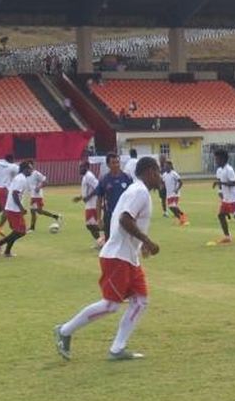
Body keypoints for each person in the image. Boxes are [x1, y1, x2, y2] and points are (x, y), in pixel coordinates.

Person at [54, 157, 162, 361]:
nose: (160, 177)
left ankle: (117, 349)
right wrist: (147, 241)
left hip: (128, 257)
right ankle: (65, 331)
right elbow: (124, 219)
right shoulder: (138, 191)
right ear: (149, 172)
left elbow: (125, 219)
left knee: (140, 301)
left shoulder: (138, 191)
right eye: (157, 172)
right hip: (117, 256)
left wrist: (141, 246)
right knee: (111, 305)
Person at [0, 161, 33, 258]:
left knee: (17, 231)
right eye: (30, 169)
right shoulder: (21, 179)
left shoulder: (20, 178)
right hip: (14, 209)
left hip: (12, 208)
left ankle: (7, 252)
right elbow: (15, 194)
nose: (32, 171)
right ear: (25, 169)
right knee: (21, 231)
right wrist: (21, 208)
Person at [96, 153, 133, 241]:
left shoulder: (127, 178)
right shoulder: (104, 179)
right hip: (110, 215)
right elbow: (99, 199)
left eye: (117, 162)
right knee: (110, 241)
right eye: (113, 163)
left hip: (125, 215)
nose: (116, 165)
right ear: (108, 165)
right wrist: (99, 218)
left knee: (126, 240)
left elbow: (133, 197)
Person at [72, 160, 102, 247]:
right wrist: (80, 197)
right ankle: (100, 242)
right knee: (90, 225)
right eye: (79, 167)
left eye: (82, 167)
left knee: (91, 225)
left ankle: (107, 232)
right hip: (89, 205)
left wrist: (88, 197)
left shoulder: (89, 176)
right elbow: (87, 191)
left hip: (92, 204)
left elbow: (98, 188)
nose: (80, 169)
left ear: (87, 167)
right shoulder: (85, 177)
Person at [26, 161, 62, 232]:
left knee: (38, 211)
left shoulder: (36, 173)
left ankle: (56, 216)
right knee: (34, 211)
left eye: (30, 166)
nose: (29, 168)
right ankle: (32, 228)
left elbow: (45, 181)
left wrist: (39, 187)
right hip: (32, 195)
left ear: (32, 166)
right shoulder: (27, 175)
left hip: (38, 196)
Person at [162, 160, 188, 225]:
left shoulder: (174, 173)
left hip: (175, 193)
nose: (165, 167)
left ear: (170, 166)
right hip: (169, 194)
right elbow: (162, 183)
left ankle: (183, 216)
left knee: (172, 206)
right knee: (172, 208)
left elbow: (181, 182)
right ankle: (181, 219)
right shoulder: (164, 175)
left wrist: (177, 189)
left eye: (167, 166)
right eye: (165, 166)